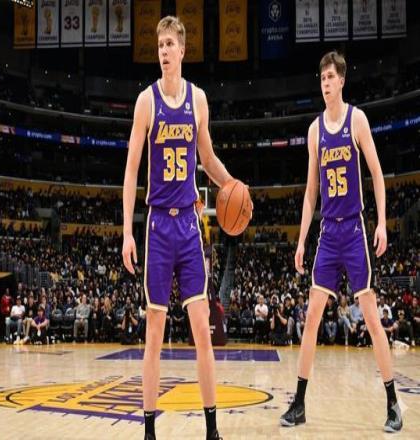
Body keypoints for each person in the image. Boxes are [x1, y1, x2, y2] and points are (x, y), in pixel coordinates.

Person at [122, 16, 249, 440]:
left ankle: (212, 430)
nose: (163, 50)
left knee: (202, 332)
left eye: (170, 43)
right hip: (158, 226)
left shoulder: (198, 99)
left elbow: (207, 159)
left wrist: (232, 185)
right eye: (159, 44)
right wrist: (127, 232)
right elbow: (131, 170)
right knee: (154, 333)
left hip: (190, 228)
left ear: (182, 50)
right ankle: (149, 432)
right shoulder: (146, 102)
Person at [280, 51, 402, 432]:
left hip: (354, 230)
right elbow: (310, 191)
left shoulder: (357, 120)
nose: (325, 83)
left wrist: (381, 223)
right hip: (328, 234)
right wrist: (302, 240)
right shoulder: (315, 131)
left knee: (371, 316)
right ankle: (299, 403)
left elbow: (377, 173)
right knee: (311, 317)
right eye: (322, 78)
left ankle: (393, 403)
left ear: (342, 81)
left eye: (331, 77)